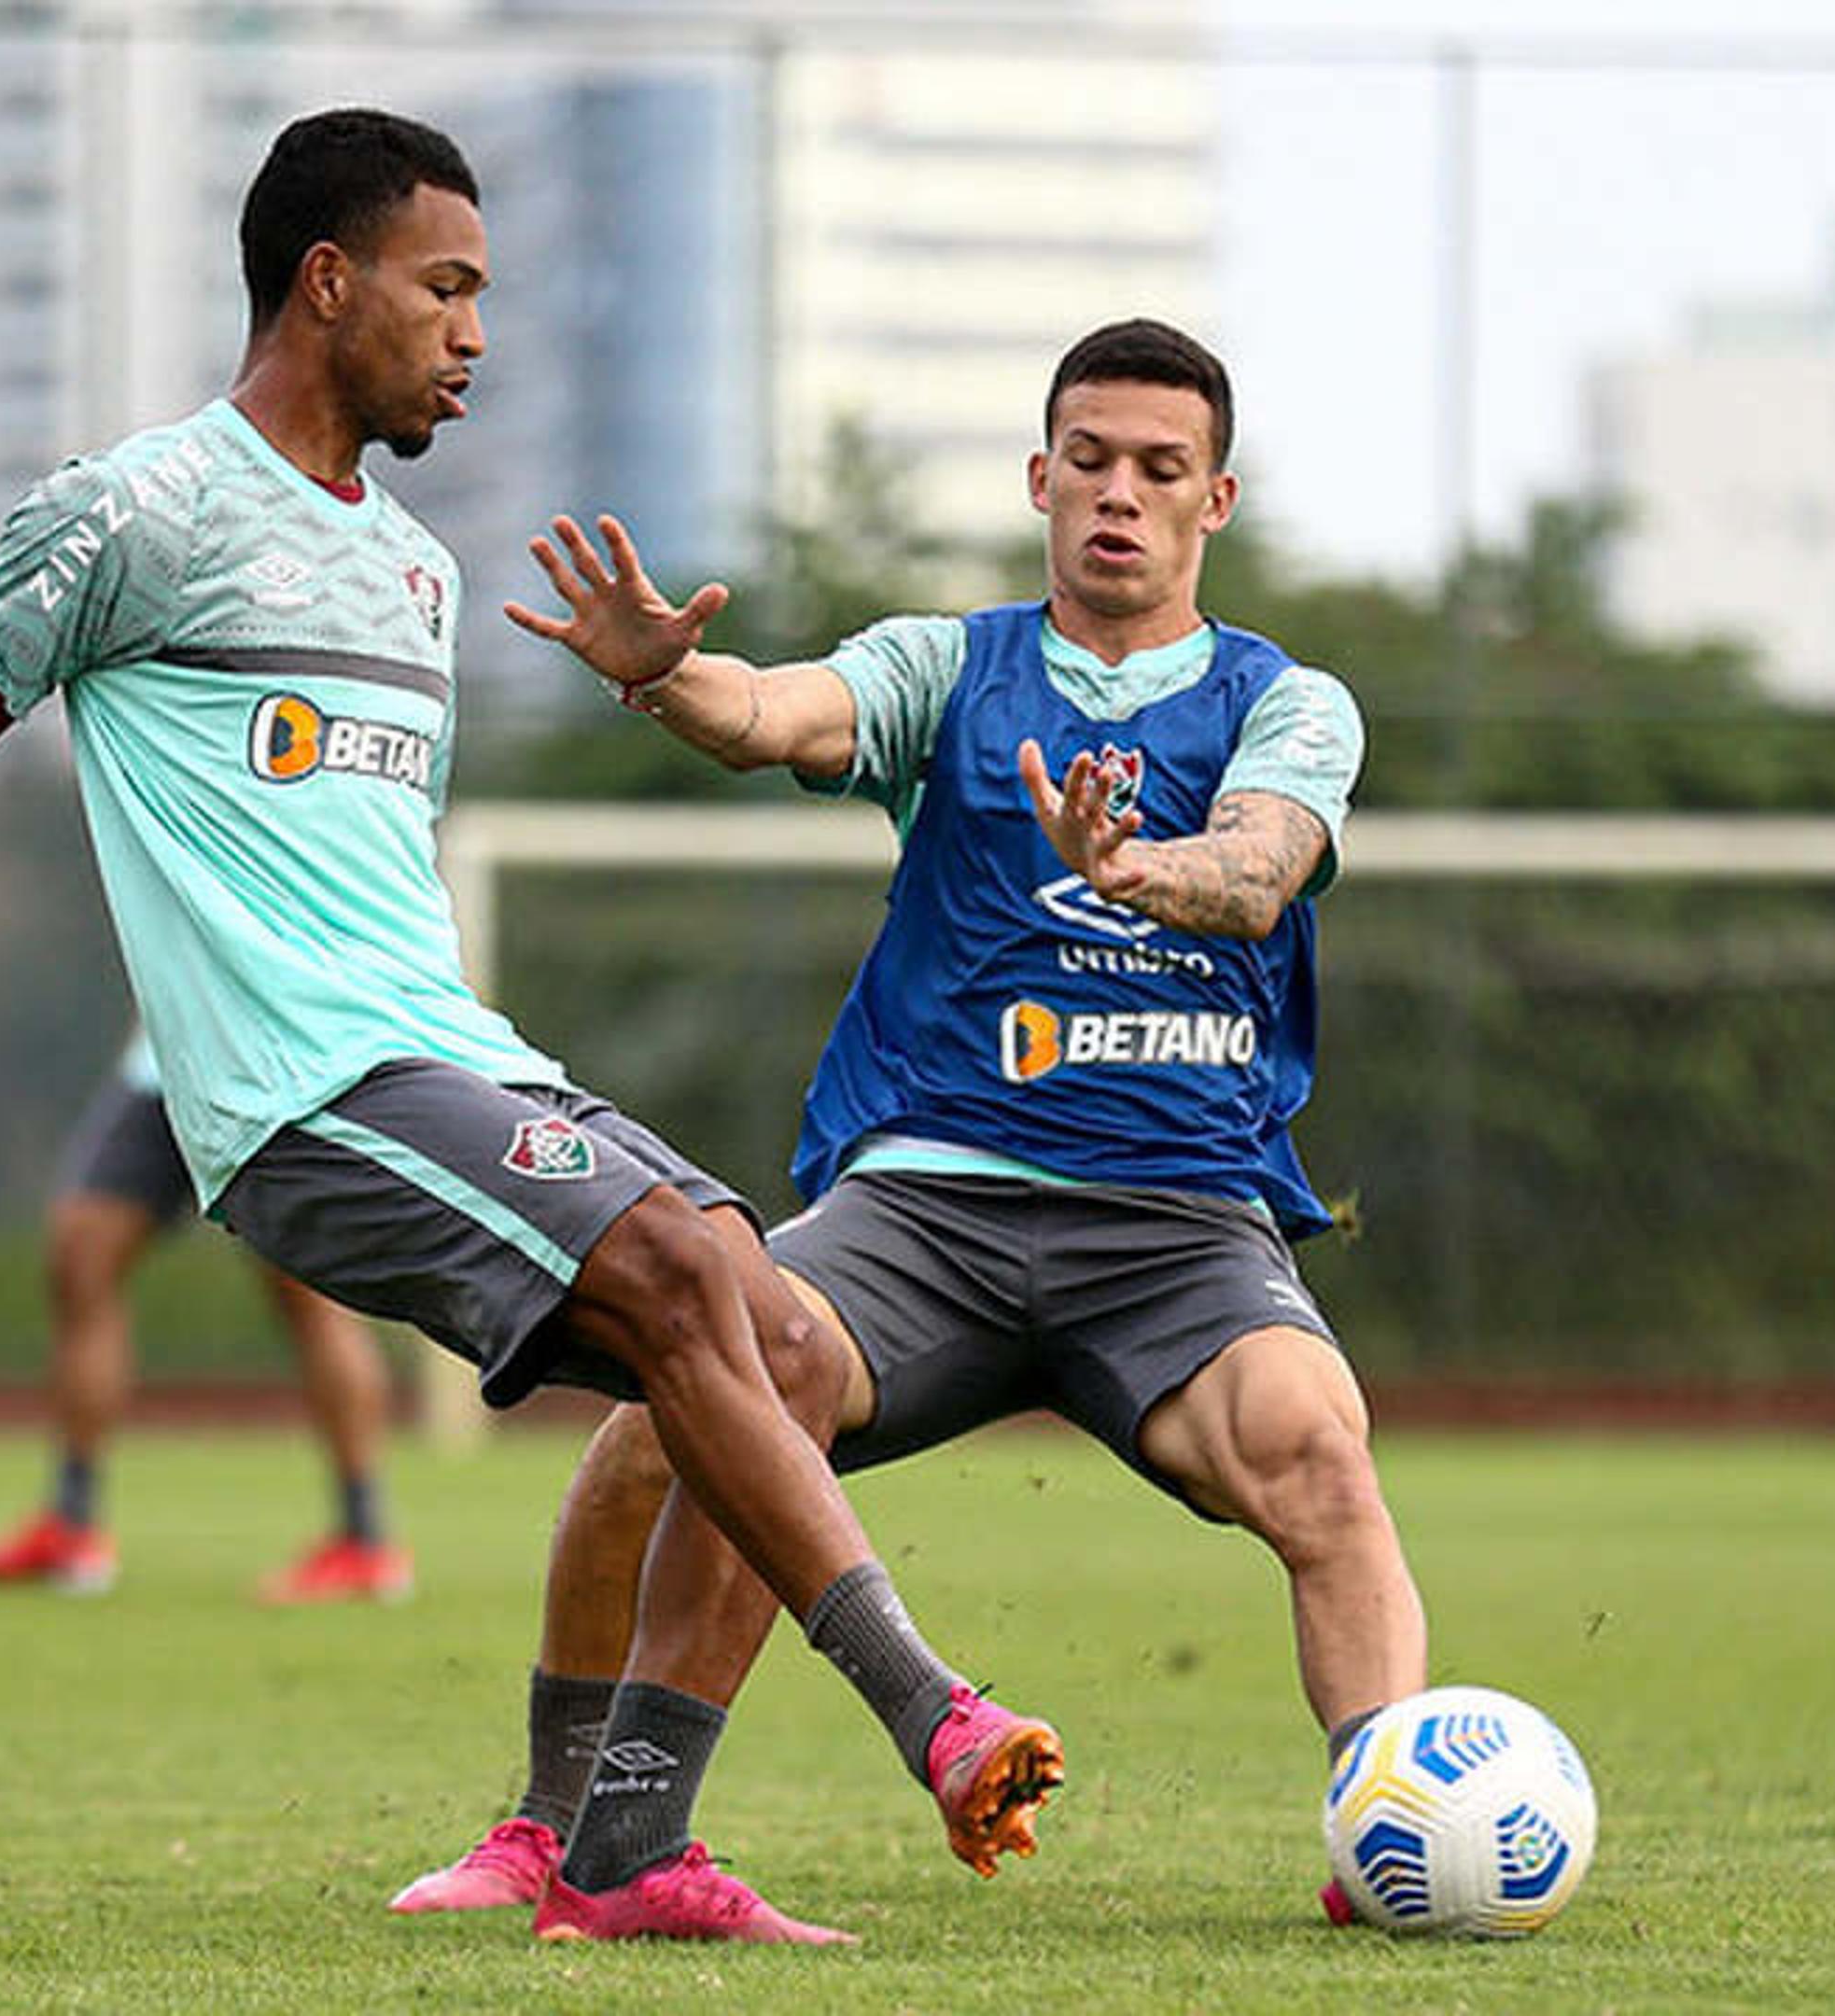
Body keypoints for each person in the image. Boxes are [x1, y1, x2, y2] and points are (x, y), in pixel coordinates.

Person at [0, 106, 1058, 1940]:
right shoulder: (132, 511)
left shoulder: (412, 575)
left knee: (764, 1323)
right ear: (329, 281)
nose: (476, 336)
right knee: (685, 1279)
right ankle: (930, 1711)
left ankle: (607, 1851)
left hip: (459, 1061)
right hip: (304, 1100)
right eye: (446, 288)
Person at [387, 318, 1426, 1939]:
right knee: (684, 1394)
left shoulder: (1286, 704)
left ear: (1215, 499)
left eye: (1160, 470)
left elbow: (1265, 861)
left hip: (1178, 1227)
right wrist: (670, 674)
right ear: (1039, 477)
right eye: (1089, 459)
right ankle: (554, 1830)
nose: (1120, 496)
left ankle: (1393, 1830)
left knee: (1319, 1447)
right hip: (925, 1211)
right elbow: (776, 712)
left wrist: (1144, 871)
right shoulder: (947, 667)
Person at [0, 1025, 413, 1603]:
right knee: (79, 1254)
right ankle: (71, 1523)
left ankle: (364, 1538)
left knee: (305, 1287)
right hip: (168, 1063)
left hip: (279, 1064)